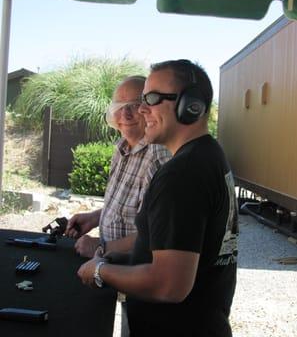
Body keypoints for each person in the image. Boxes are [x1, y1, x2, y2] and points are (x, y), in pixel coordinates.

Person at [78, 60, 238, 337]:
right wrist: (123, 259)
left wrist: (100, 270)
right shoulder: (209, 154)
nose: (141, 109)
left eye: (151, 99)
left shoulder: (181, 173)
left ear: (192, 106)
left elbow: (169, 285)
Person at [66, 75, 171, 258]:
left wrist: (101, 248)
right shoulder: (121, 148)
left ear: (148, 109)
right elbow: (129, 212)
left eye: (134, 106)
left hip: (132, 274)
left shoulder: (158, 157)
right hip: (109, 268)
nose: (125, 114)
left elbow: (157, 236)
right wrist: (94, 218)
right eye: (119, 107)